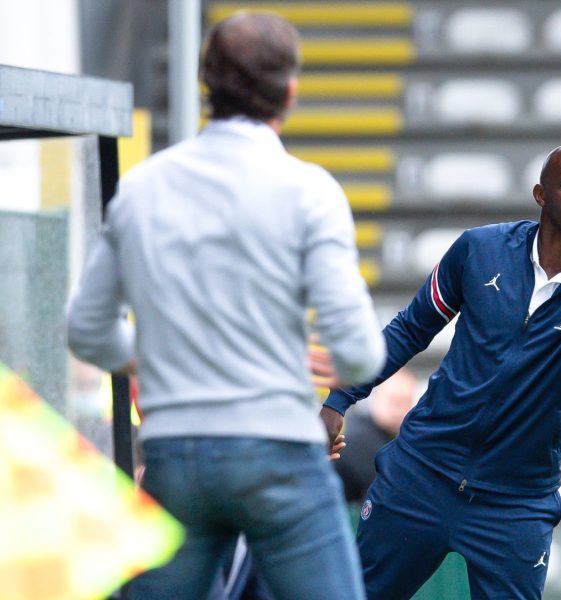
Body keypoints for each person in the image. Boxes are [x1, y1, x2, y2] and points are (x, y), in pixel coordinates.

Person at [66, 13, 385, 600]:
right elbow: (361, 353)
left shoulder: (143, 186)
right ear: (290, 92)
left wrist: (154, 358)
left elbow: (87, 331)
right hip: (279, 457)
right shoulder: (309, 191)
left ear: (205, 87)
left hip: (175, 457)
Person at [322, 144, 561, 600]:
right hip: (421, 475)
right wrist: (338, 400)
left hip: (516, 503)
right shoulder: (479, 249)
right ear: (540, 194)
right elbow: (409, 328)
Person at [335, 368, 417, 502]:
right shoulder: (360, 436)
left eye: (405, 402)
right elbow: (397, 485)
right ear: (375, 400)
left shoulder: (393, 435)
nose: (399, 410)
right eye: (393, 401)